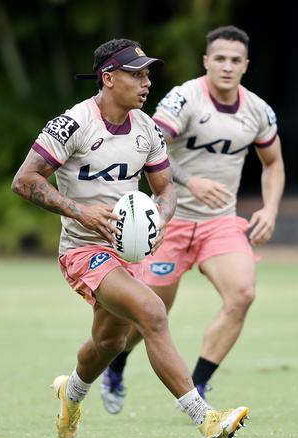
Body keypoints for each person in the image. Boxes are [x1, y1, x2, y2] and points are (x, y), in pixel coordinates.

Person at [12, 38, 249, 438]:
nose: (146, 82)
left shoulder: (147, 129)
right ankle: (206, 419)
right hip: (84, 251)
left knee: (109, 344)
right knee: (153, 312)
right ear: (108, 78)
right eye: (136, 74)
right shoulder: (72, 124)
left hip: (128, 252)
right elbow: (24, 180)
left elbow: (165, 189)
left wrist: (159, 218)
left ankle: (71, 396)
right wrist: (79, 212)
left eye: (147, 73)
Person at [101, 26, 285, 415]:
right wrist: (190, 181)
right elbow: (151, 144)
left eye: (235, 60)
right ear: (206, 61)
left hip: (221, 223)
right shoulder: (184, 99)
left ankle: (198, 385)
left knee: (242, 294)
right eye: (219, 58)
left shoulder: (258, 111)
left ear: (246, 65)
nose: (227, 66)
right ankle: (115, 367)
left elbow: (273, 163)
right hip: (171, 220)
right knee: (149, 315)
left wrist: (269, 209)